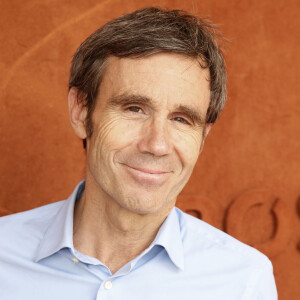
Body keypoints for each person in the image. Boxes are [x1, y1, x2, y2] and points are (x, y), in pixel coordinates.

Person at [0, 7, 277, 299]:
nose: (157, 145)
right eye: (134, 109)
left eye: (181, 119)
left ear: (203, 137)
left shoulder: (243, 281)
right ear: (81, 111)